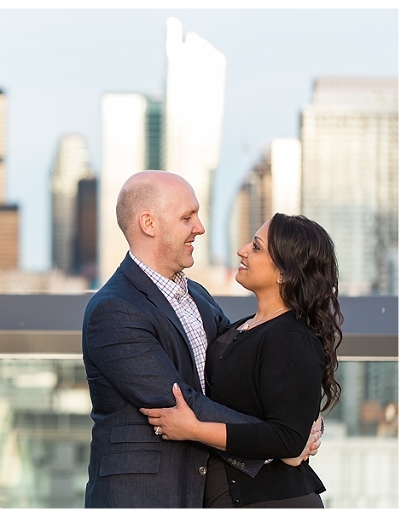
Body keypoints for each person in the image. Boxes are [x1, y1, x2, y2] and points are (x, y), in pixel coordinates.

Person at [82, 171, 319, 508]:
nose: (200, 227)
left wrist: (295, 423)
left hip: (210, 491)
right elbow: (179, 401)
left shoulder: (199, 296)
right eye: (187, 217)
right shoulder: (114, 310)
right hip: (144, 497)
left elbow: (236, 371)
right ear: (149, 224)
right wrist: (282, 441)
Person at [142, 213, 341, 508]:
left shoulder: (292, 337)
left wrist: (193, 429)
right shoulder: (242, 327)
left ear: (284, 272)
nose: (242, 250)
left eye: (257, 247)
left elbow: (287, 437)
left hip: (273, 501)